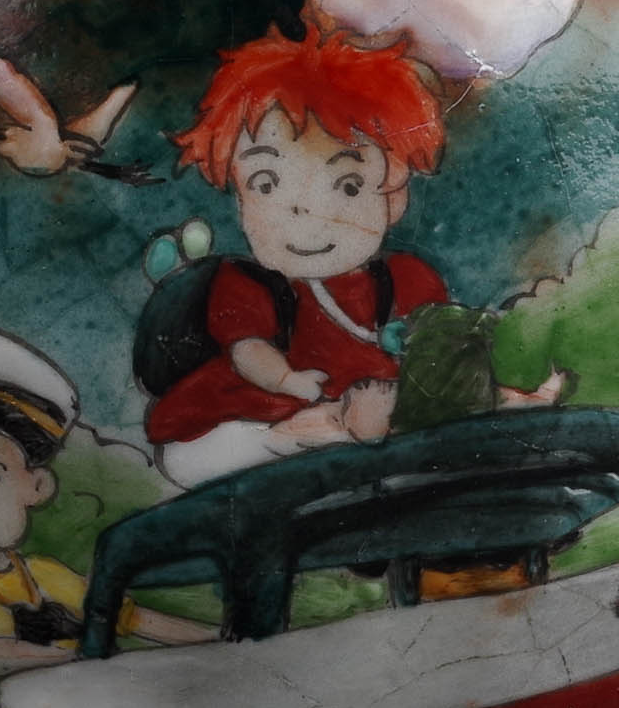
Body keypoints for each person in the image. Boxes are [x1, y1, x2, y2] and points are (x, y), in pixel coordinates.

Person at [148, 29, 456, 488]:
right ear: (240, 195)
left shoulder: (407, 281)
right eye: (267, 183)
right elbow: (247, 349)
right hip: (257, 412)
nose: (304, 212)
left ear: (394, 196)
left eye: (348, 185)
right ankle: (309, 437)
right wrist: (286, 381)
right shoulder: (250, 284)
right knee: (207, 454)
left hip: (373, 416)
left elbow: (439, 354)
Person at [0, 319, 213, 677]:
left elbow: (131, 617)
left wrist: (218, 638)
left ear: (38, 486)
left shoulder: (46, 576)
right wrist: (80, 654)